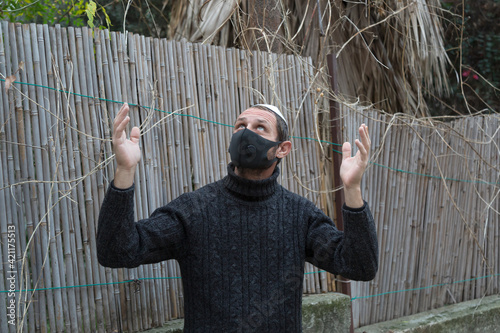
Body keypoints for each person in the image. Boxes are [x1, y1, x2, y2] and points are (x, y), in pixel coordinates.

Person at [97, 103, 378, 332]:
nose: (246, 133)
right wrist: (125, 171)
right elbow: (117, 251)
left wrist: (352, 189)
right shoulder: (193, 210)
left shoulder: (300, 215)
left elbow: (359, 265)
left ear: (282, 148)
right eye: (240, 126)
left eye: (260, 127)